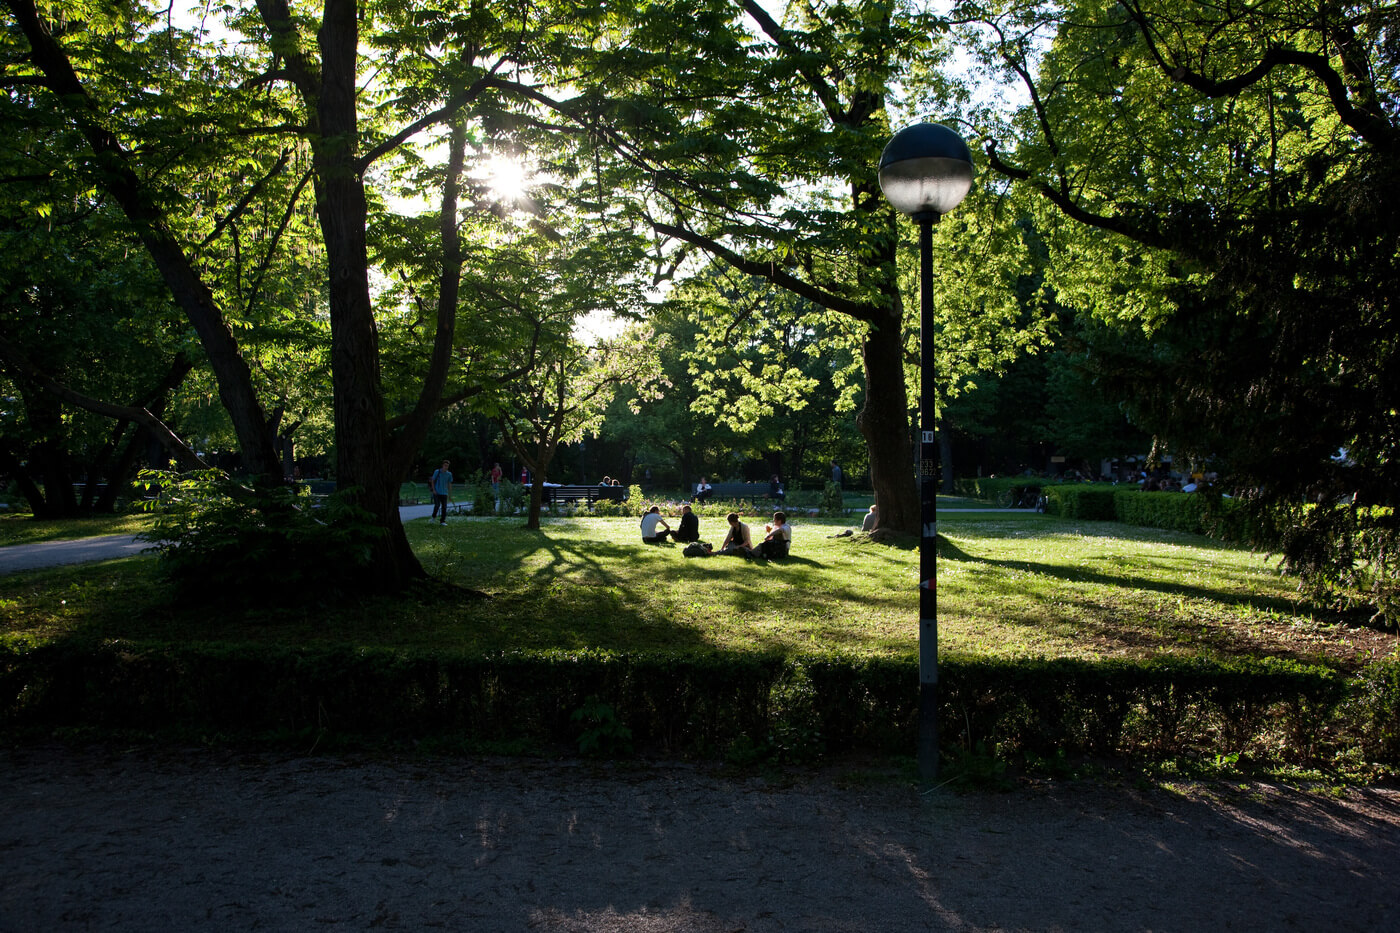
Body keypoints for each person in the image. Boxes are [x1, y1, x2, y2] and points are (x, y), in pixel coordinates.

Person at [429, 460, 452, 525]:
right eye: (445, 465)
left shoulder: (449, 474)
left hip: (444, 493)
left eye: (447, 466)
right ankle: (433, 517)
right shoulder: (437, 472)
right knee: (437, 505)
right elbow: (432, 481)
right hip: (437, 492)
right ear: (442, 465)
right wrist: (434, 490)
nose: (446, 467)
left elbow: (449, 483)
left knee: (444, 507)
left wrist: (449, 494)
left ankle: (442, 521)